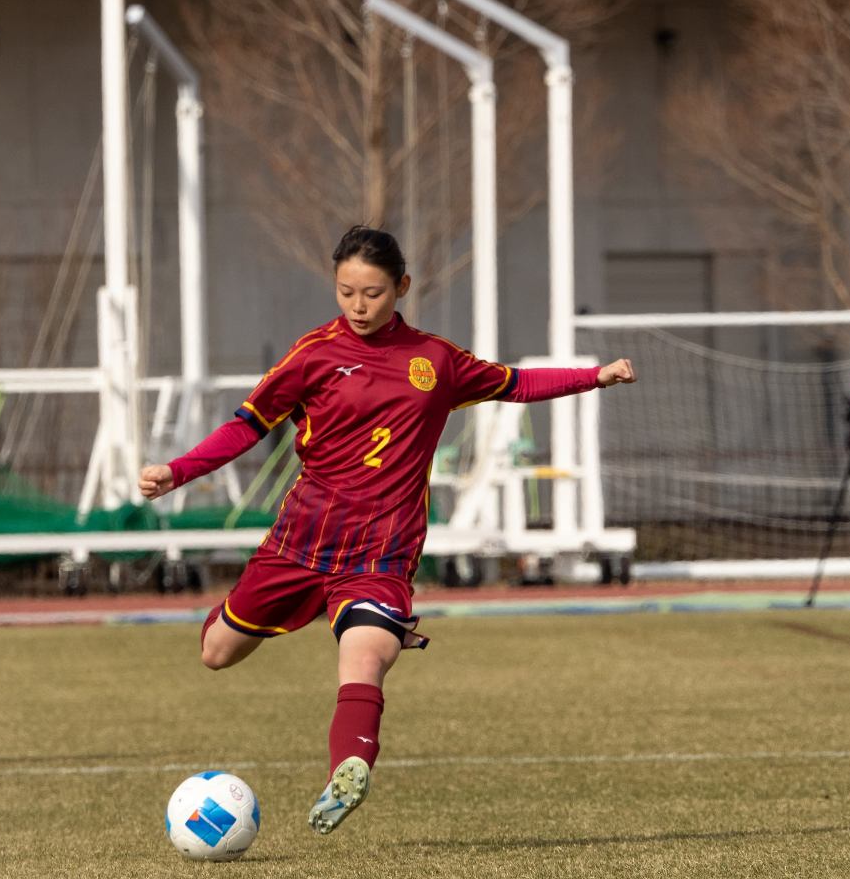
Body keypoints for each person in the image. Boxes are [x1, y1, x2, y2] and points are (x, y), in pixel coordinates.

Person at [139, 226, 637, 835]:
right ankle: (292, 614)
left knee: (368, 655)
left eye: (372, 293)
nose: (358, 305)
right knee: (216, 652)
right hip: (303, 541)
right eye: (345, 291)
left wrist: (594, 377)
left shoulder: (436, 361)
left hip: (382, 550)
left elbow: (514, 383)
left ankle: (347, 769)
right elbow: (247, 425)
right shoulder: (312, 355)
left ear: (401, 287)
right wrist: (177, 471)